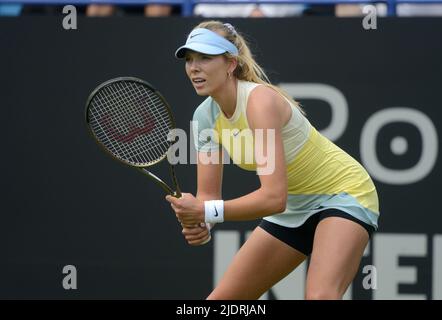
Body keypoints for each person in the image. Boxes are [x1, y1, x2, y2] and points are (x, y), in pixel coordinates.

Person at [166, 21, 380, 300]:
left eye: (205, 57)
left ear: (231, 64)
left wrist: (206, 212)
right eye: (190, 59)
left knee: (320, 296)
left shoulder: (260, 102)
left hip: (342, 195)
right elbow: (209, 198)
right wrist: (203, 223)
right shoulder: (204, 117)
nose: (194, 67)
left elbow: (272, 198)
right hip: (291, 209)